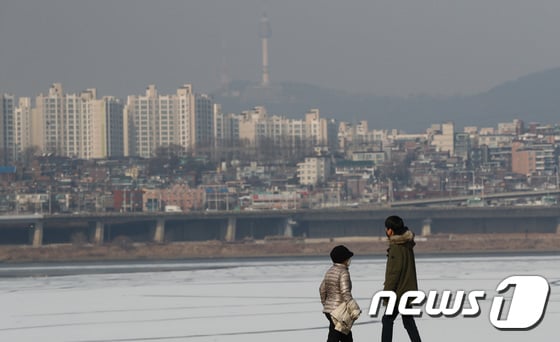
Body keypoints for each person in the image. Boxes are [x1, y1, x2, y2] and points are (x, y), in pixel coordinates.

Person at [381, 215, 422, 342]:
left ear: (391, 230)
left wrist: (387, 293)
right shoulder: (406, 245)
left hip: (398, 293)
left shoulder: (396, 248)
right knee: (408, 321)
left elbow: (394, 273)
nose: (386, 231)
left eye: (387, 228)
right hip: (407, 289)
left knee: (387, 320)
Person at [320, 245, 361, 342]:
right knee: (336, 336)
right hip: (339, 312)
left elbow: (322, 289)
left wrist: (326, 304)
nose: (349, 260)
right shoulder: (343, 272)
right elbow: (345, 292)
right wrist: (354, 308)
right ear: (344, 259)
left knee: (343, 334)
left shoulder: (329, 271)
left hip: (329, 311)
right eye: (348, 258)